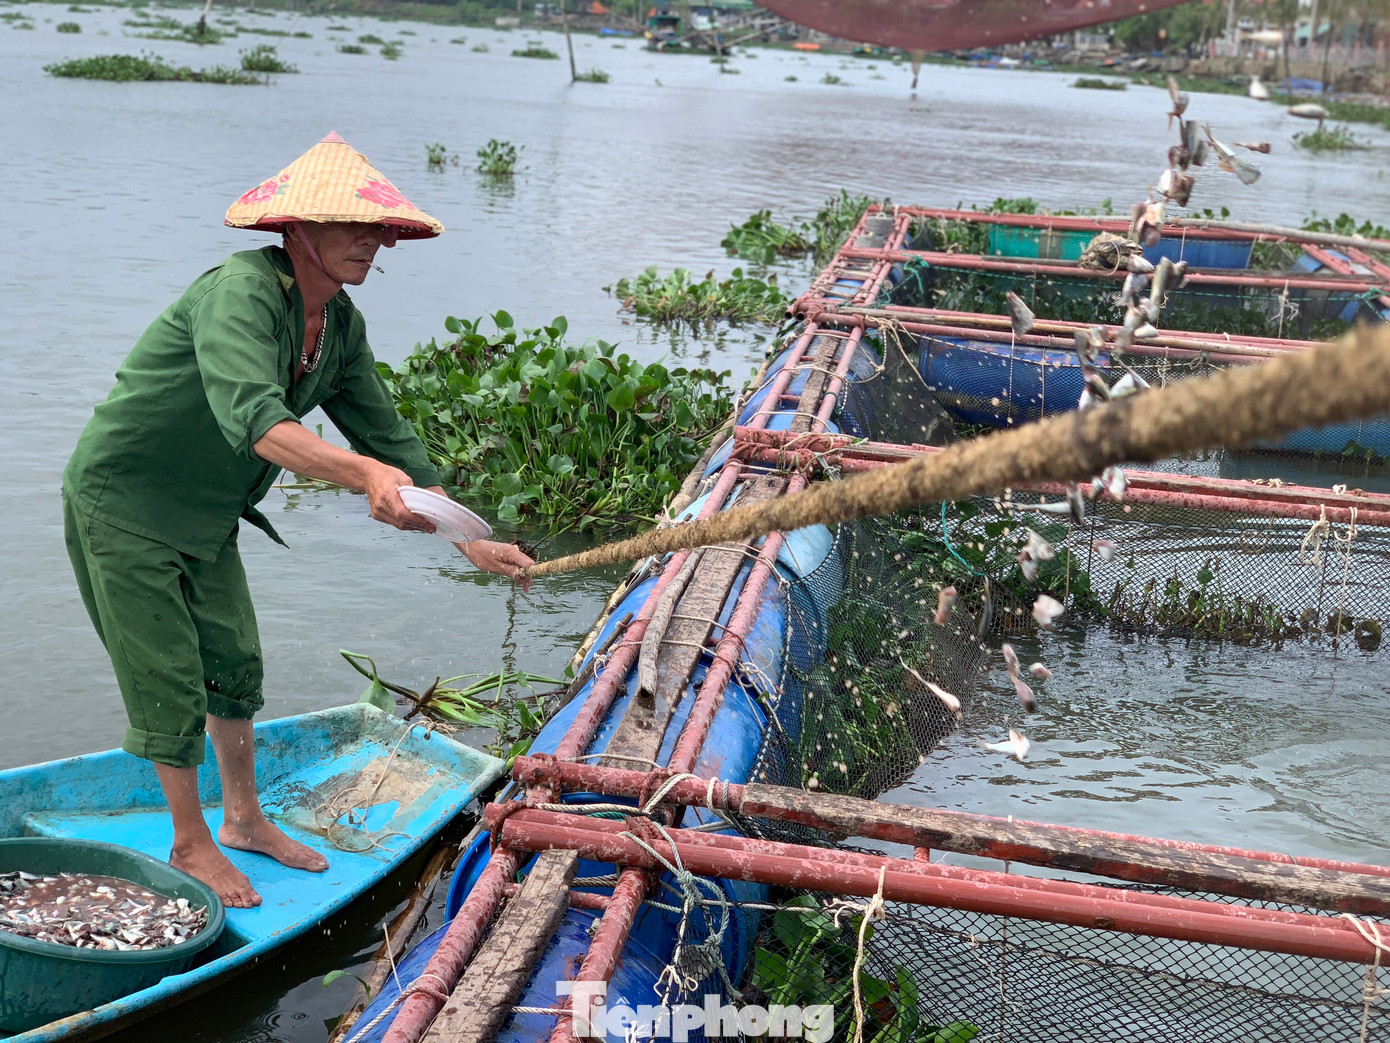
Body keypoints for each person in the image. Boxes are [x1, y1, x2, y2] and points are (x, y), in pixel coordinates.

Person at [61, 132, 534, 909]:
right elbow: (259, 423)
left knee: (235, 659)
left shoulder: (339, 327)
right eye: (348, 224)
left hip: (207, 512)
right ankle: (190, 840)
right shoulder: (241, 293)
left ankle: (243, 817)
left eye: (376, 227)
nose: (369, 240)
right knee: (168, 677)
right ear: (296, 230)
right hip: (126, 501)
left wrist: (470, 536)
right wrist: (363, 477)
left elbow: (389, 440)